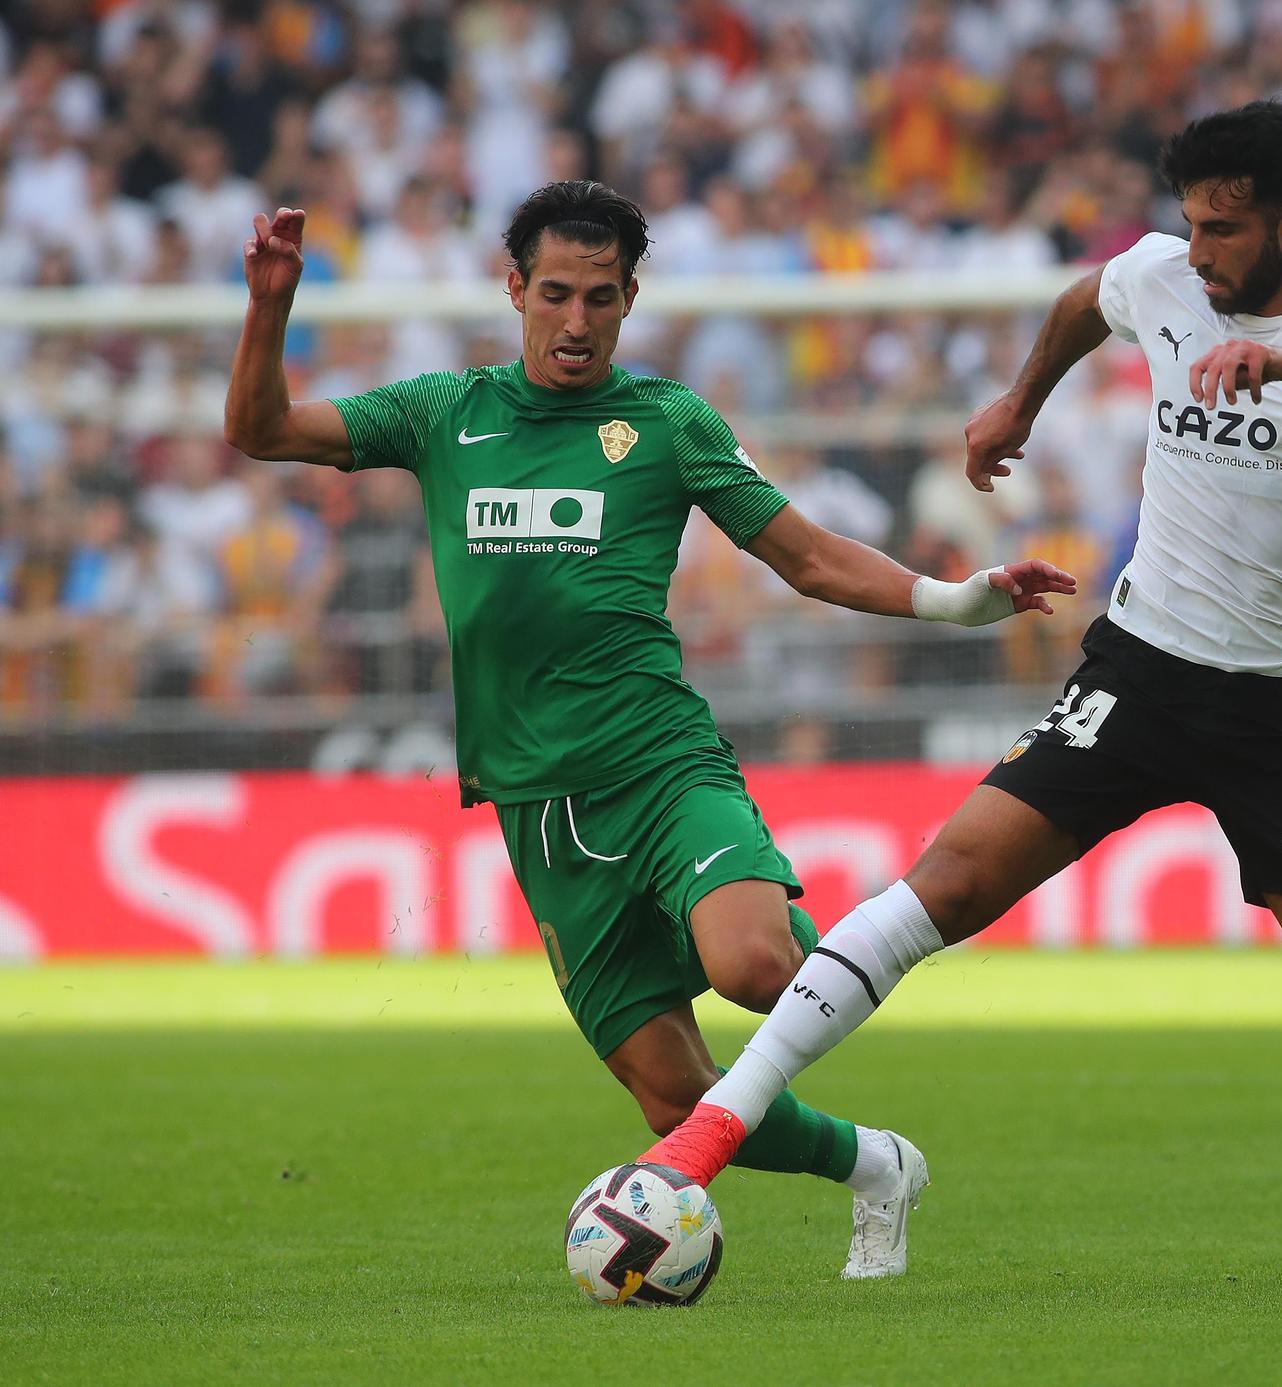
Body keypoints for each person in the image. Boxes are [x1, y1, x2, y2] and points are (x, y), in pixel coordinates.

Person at [644, 100, 1282, 1283]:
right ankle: (705, 1136)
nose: (1197, 252)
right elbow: (1089, 297)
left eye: (1225, 231)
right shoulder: (1163, 276)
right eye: (1188, 224)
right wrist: (1019, 402)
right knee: (947, 881)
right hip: (1141, 666)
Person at [221, 179, 1075, 1281]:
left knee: (758, 963)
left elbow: (806, 556)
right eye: (558, 295)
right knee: (674, 1096)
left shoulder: (666, 423)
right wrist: (271, 304)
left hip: (660, 763)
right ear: (515, 289)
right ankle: (875, 1163)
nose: (578, 322)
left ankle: (846, 964)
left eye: (604, 299)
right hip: (537, 809)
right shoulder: (443, 414)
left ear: (630, 301)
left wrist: (957, 601)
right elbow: (258, 430)